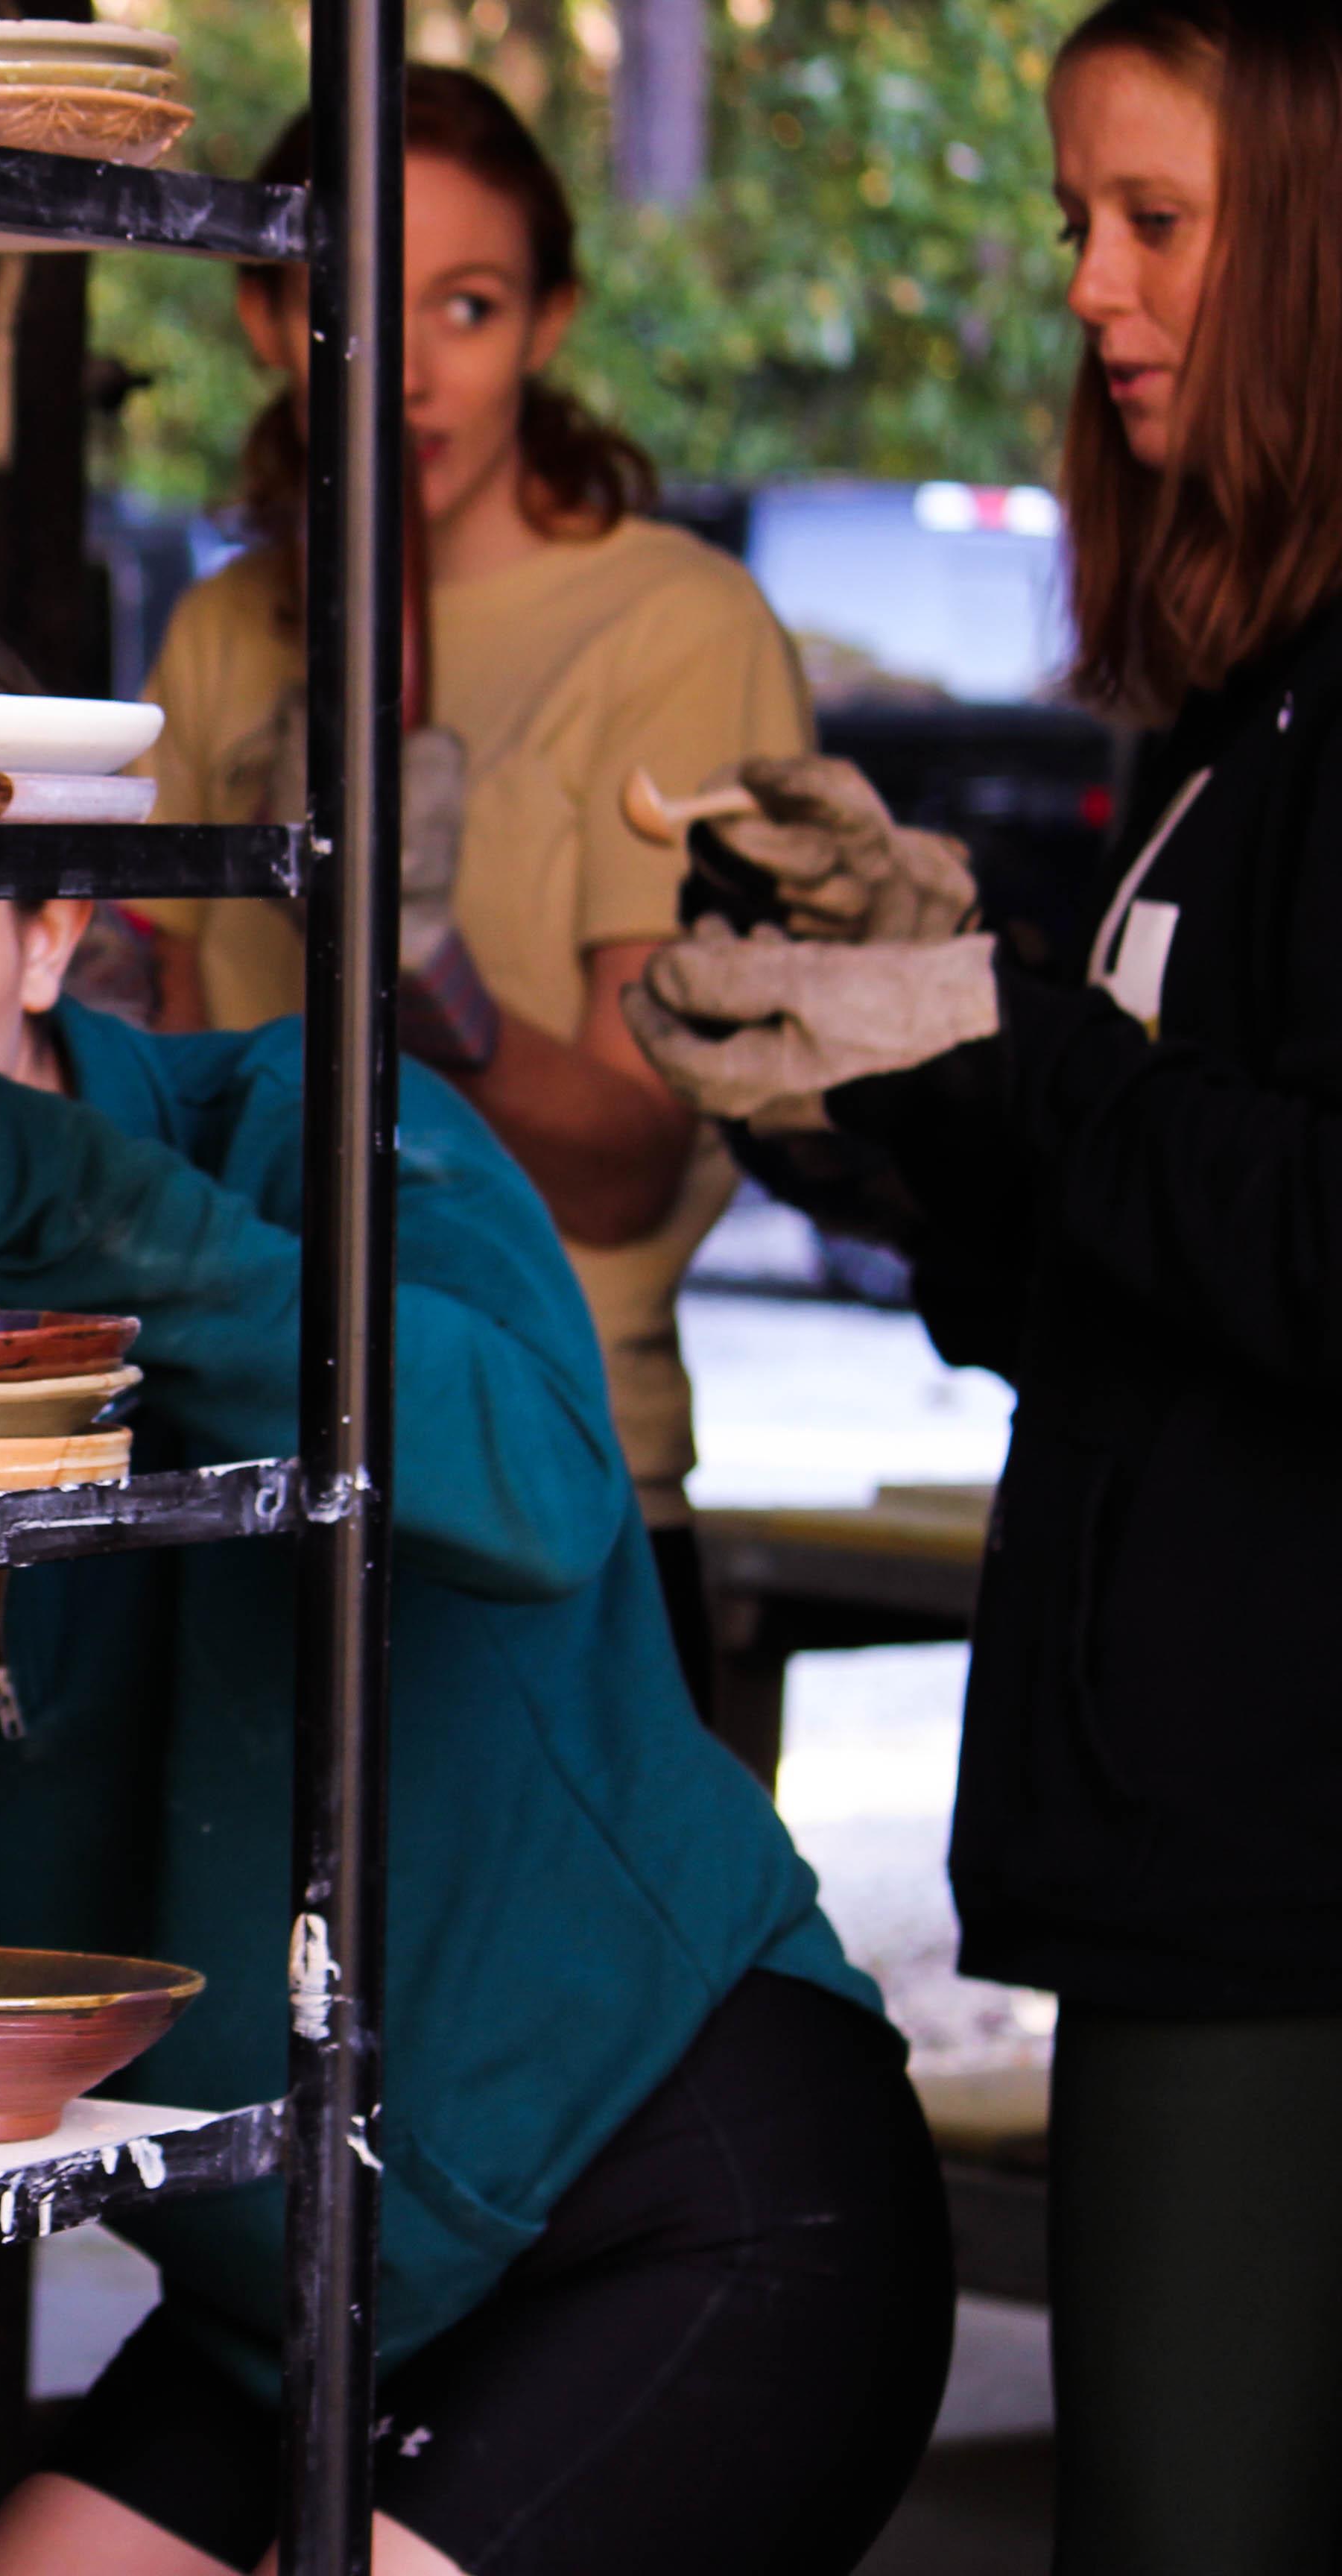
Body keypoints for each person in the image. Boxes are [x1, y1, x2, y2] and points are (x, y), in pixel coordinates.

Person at [0, 571, 949, 2573]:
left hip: (681, 2200)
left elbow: (543, 1496)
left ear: (57, 929)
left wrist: (43, 1201)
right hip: (281, 2297)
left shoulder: (302, 1129)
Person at [623, 7, 1342, 2566]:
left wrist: (1009, 1045)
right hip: (1182, 1843)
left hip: (1288, 1867)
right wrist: (881, 1076)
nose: (1095, 292)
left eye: (1158, 222)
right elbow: (1142, 1275)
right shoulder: (1241, 712)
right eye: (1074, 225)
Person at [135, 68, 817, 1692]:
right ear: (258, 313)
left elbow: (630, 1171)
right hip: (239, 1451)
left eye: (470, 305)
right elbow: (162, 1096)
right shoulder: (228, 635)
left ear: (551, 322)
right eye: (349, 302)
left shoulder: (675, 626)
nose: (408, 368)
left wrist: (410, 982)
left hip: (539, 1472)